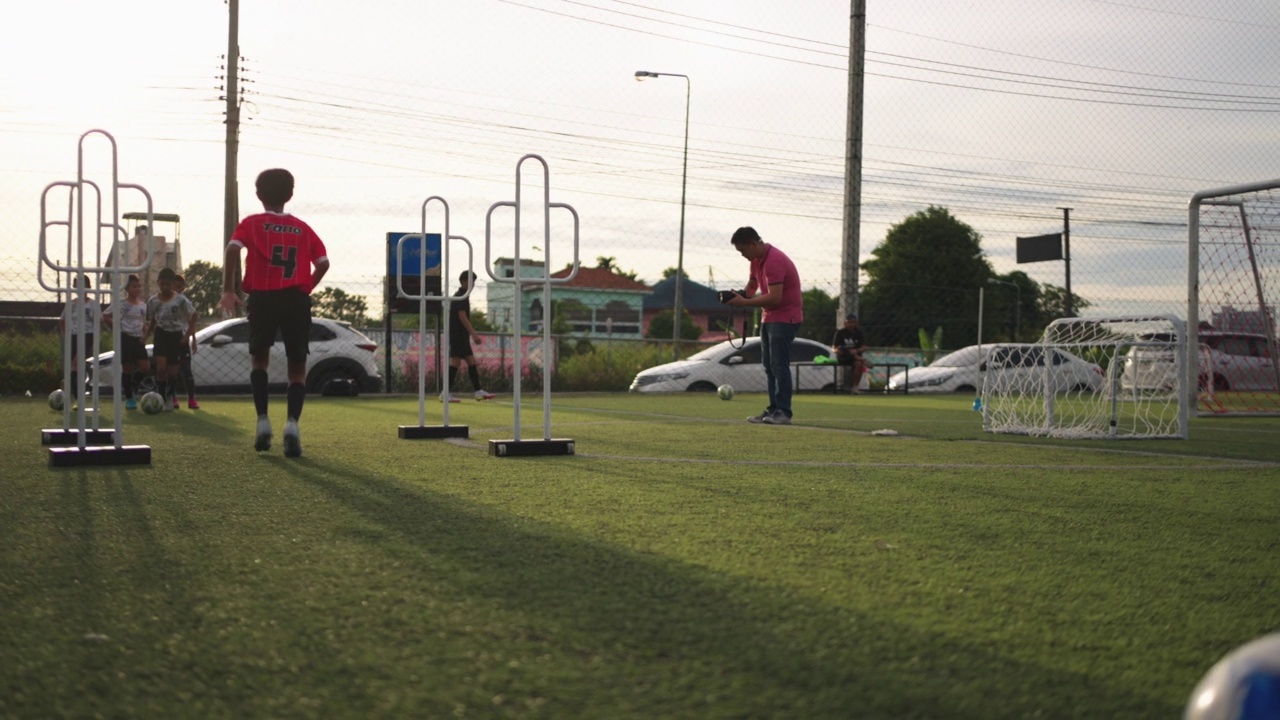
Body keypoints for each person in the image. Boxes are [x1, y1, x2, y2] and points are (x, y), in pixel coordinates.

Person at [220, 168, 330, 458]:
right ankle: (292, 425)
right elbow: (323, 262)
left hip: (263, 298)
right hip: (295, 299)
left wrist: (228, 290)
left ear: (259, 195)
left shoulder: (252, 224)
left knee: (259, 359)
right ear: (290, 194)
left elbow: (233, 249)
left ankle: (262, 421)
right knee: (297, 366)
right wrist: (306, 286)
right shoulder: (303, 228)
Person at [723, 226, 803, 425]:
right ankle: (774, 408)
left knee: (779, 366)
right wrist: (740, 295)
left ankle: (783, 412)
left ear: (753, 243)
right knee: (769, 366)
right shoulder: (756, 261)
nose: (743, 255)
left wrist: (745, 303)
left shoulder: (774, 260)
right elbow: (752, 287)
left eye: (743, 250)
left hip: (785, 317)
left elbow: (775, 298)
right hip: (769, 317)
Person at [145, 267, 198, 411]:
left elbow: (194, 315)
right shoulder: (153, 300)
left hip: (176, 336)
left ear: (173, 284)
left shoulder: (180, 300)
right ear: (158, 283)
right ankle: (161, 397)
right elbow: (152, 320)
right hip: (161, 335)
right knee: (161, 368)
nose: (165, 287)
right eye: (162, 284)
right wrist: (146, 336)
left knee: (173, 372)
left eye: (168, 284)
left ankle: (170, 397)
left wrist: (187, 336)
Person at [442, 270, 496, 402]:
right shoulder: (460, 296)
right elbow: (462, 316)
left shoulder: (463, 296)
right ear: (464, 281)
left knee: (470, 362)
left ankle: (477, 391)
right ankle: (446, 393)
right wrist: (474, 334)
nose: (472, 285)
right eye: (470, 282)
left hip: (461, 336)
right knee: (457, 362)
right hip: (458, 335)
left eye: (474, 282)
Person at [102, 274, 152, 410]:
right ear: (127, 289)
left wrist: (145, 334)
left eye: (138, 286)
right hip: (125, 338)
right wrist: (117, 326)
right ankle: (130, 398)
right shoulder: (121, 304)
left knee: (145, 367)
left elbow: (143, 322)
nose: (137, 289)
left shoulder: (143, 305)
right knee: (127, 368)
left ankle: (134, 386)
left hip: (138, 339)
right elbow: (105, 316)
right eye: (134, 286)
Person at [58, 274, 102, 401]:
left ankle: (77, 395)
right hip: (72, 336)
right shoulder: (71, 304)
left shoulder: (92, 304)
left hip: (87, 335)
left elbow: (98, 322)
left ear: (89, 287)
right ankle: (73, 389)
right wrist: (65, 335)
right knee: (73, 365)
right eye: (77, 286)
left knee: (77, 363)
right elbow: (62, 320)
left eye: (83, 286)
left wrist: (96, 338)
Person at [173, 274, 199, 409]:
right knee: (172, 371)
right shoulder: (165, 300)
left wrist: (193, 339)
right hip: (170, 338)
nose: (177, 289)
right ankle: (172, 398)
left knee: (186, 370)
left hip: (183, 338)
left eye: (180, 286)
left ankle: (191, 399)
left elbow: (191, 321)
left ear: (183, 287)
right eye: (175, 286)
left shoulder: (184, 301)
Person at [831, 313, 869, 394]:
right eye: (848, 322)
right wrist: (844, 351)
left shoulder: (859, 333)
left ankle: (855, 387)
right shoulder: (840, 333)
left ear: (855, 323)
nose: (850, 324)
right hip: (843, 357)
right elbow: (834, 348)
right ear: (845, 323)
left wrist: (857, 351)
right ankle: (863, 359)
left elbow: (865, 347)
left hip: (855, 357)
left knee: (858, 363)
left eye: (852, 322)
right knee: (847, 350)